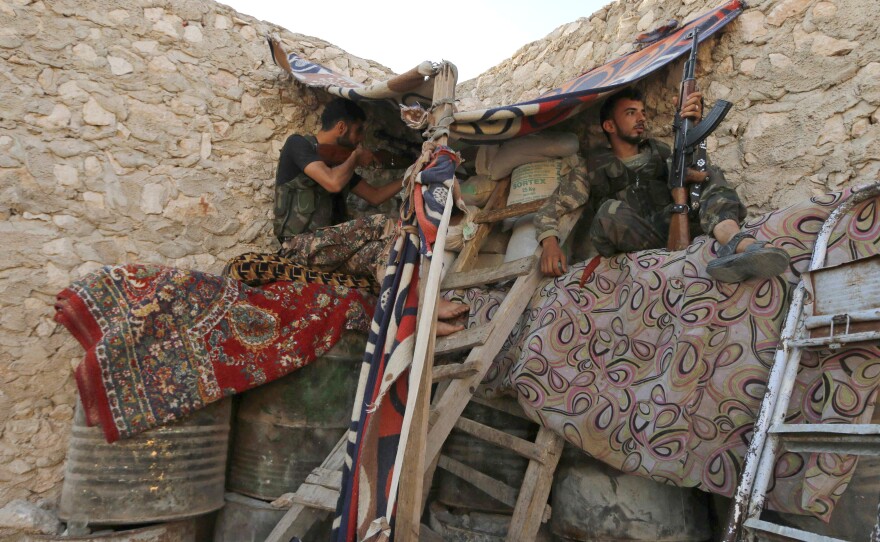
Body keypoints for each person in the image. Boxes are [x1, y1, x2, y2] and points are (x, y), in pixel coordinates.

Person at [535, 87, 790, 283]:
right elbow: (550, 210)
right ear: (609, 125)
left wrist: (693, 128)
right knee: (609, 211)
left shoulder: (660, 152)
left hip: (667, 224)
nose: (641, 118)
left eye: (642, 112)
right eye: (631, 113)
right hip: (629, 233)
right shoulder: (591, 166)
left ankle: (735, 240)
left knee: (708, 173)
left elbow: (695, 175)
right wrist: (550, 243)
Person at [273, 98, 405, 247]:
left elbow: (375, 196)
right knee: (380, 224)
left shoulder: (340, 167)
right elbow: (333, 183)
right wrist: (355, 157)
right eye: (358, 130)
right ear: (341, 127)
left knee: (388, 246)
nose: (361, 138)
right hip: (297, 245)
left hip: (327, 245)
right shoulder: (297, 144)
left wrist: (410, 176)